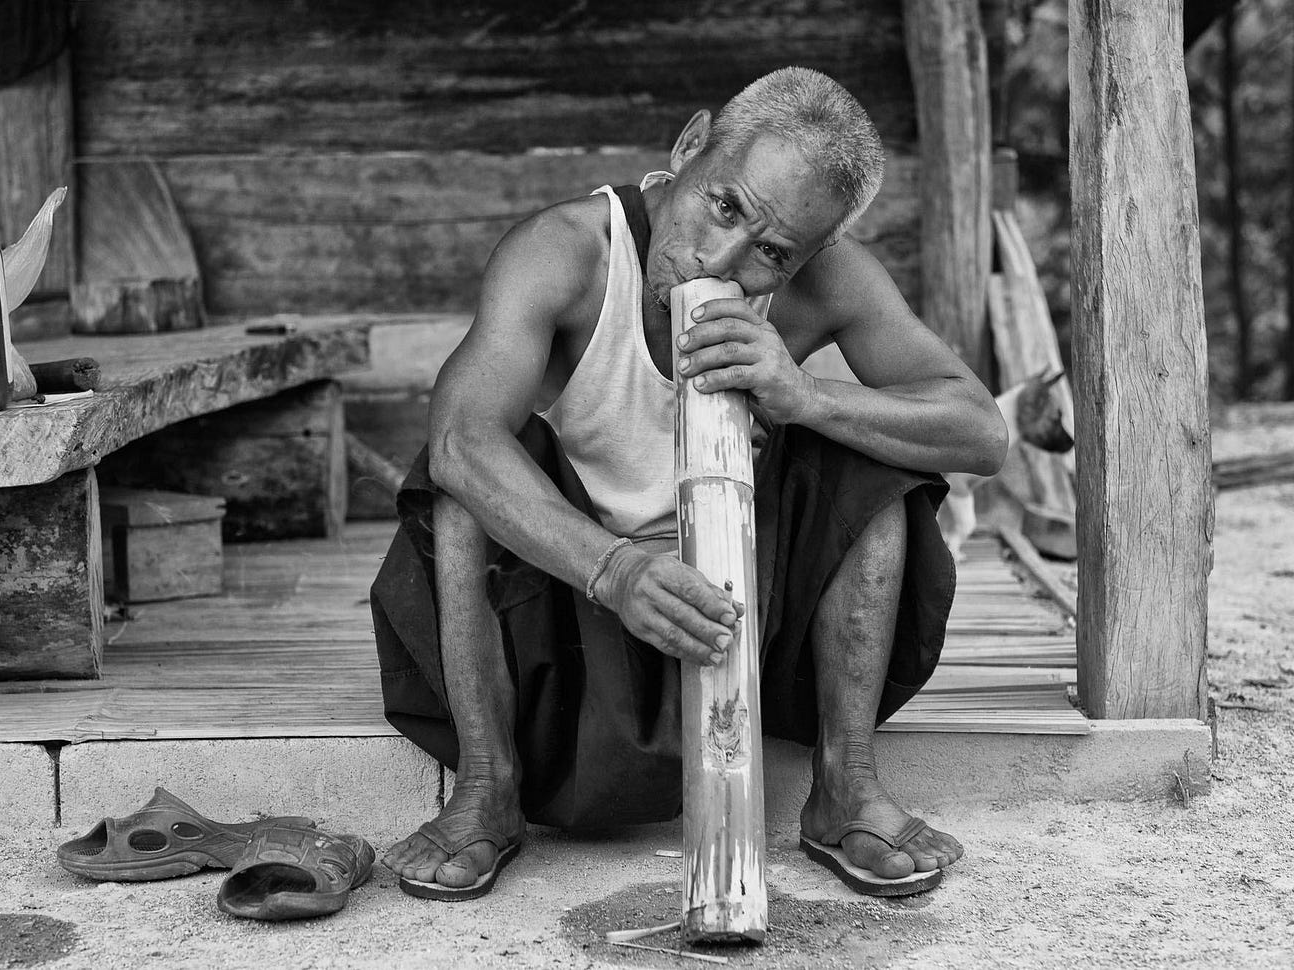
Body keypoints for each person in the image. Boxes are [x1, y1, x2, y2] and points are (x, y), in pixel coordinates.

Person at [370, 66, 1008, 900]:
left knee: (869, 461)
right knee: (463, 488)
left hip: (743, 612)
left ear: (815, 253)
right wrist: (615, 569)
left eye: (773, 253)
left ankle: (845, 785)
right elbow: (457, 441)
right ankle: (488, 792)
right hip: (571, 616)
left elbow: (981, 432)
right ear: (688, 147)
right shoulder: (568, 250)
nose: (723, 258)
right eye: (724, 205)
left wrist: (805, 394)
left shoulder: (829, 280)